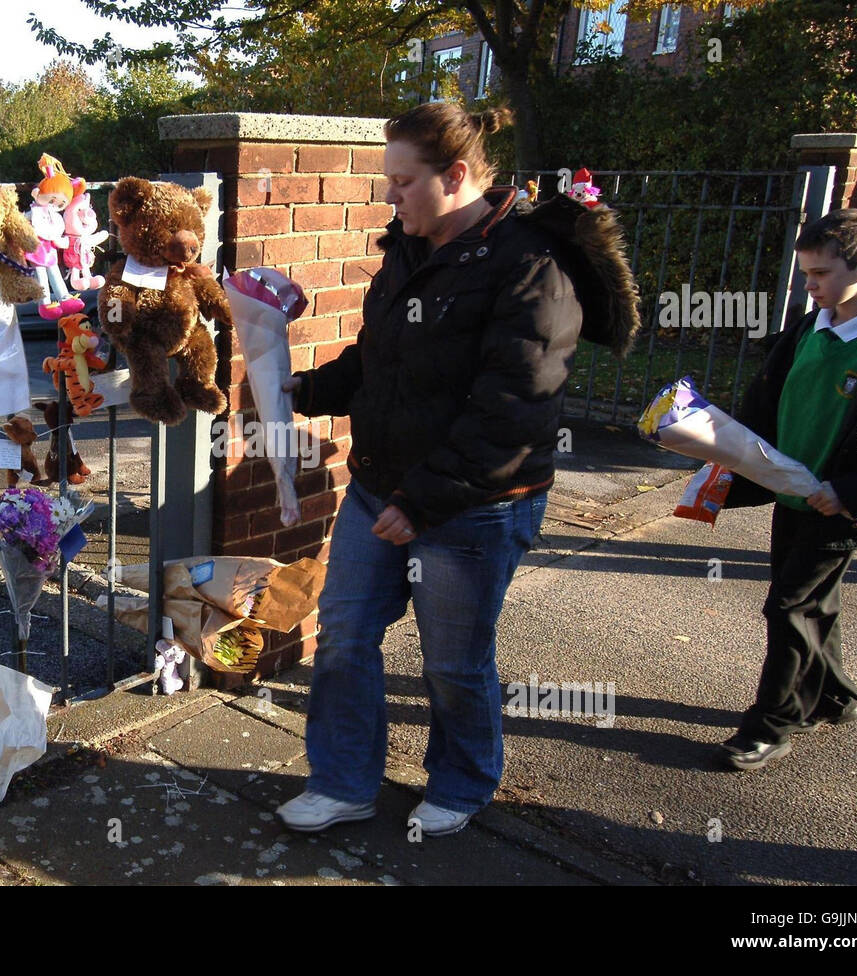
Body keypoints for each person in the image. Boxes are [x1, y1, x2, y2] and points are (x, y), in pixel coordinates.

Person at [275, 102, 638, 835]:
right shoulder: (409, 247)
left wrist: (424, 499)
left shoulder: (531, 265)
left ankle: (464, 781)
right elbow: (380, 359)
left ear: (458, 176)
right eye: (389, 182)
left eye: (402, 182)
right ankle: (344, 782)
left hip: (476, 504)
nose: (390, 197)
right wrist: (300, 389)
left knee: (452, 660)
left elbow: (515, 407)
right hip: (382, 486)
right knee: (344, 636)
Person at [720, 208, 857, 770]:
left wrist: (854, 491)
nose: (809, 286)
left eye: (820, 275)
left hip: (842, 504)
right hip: (792, 495)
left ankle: (773, 723)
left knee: (789, 607)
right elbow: (769, 403)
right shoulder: (810, 327)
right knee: (812, 603)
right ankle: (834, 695)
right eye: (805, 274)